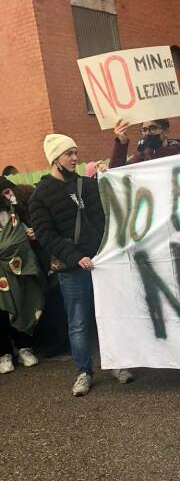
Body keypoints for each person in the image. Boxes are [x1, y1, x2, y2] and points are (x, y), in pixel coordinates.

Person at [30, 135, 133, 396]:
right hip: (72, 270)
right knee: (78, 322)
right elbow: (46, 235)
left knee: (110, 315)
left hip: (100, 264)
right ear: (55, 159)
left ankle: (117, 364)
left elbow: (102, 221)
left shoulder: (86, 185)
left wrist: (102, 251)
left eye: (75, 152)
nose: (75, 158)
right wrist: (76, 257)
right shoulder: (40, 195)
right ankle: (84, 372)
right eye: (69, 154)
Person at [0, 177, 43, 374]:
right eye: (6, 193)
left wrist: (31, 234)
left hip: (19, 267)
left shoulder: (16, 211)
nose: (11, 196)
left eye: (11, 191)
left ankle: (24, 347)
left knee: (23, 303)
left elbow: (25, 230)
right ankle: (4, 353)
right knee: (1, 311)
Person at [109, 118, 180, 169]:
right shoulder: (141, 156)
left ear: (166, 131)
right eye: (144, 130)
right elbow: (117, 172)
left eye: (152, 128)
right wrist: (122, 142)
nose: (148, 133)